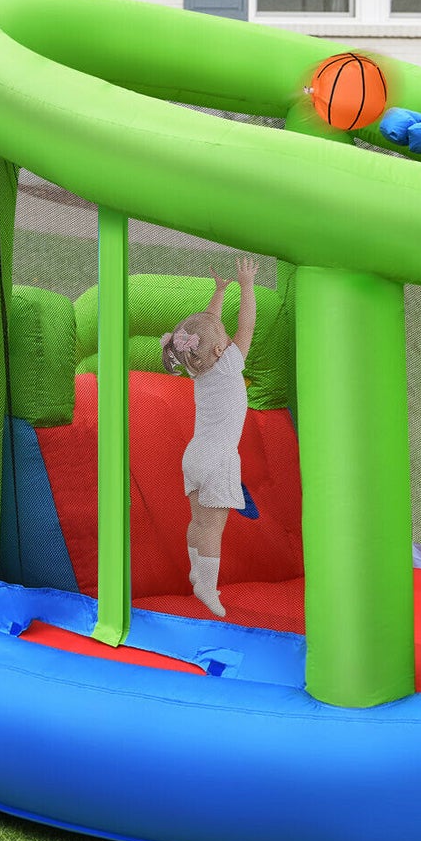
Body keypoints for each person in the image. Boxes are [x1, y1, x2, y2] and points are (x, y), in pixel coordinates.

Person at [158, 257, 259, 618]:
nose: (233, 342)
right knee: (213, 528)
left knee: (198, 522)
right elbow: (245, 324)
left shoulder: (195, 366)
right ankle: (207, 587)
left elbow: (204, 328)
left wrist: (218, 293)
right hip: (217, 459)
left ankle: (196, 572)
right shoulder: (229, 367)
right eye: (227, 342)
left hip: (196, 454)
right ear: (221, 350)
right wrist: (246, 286)